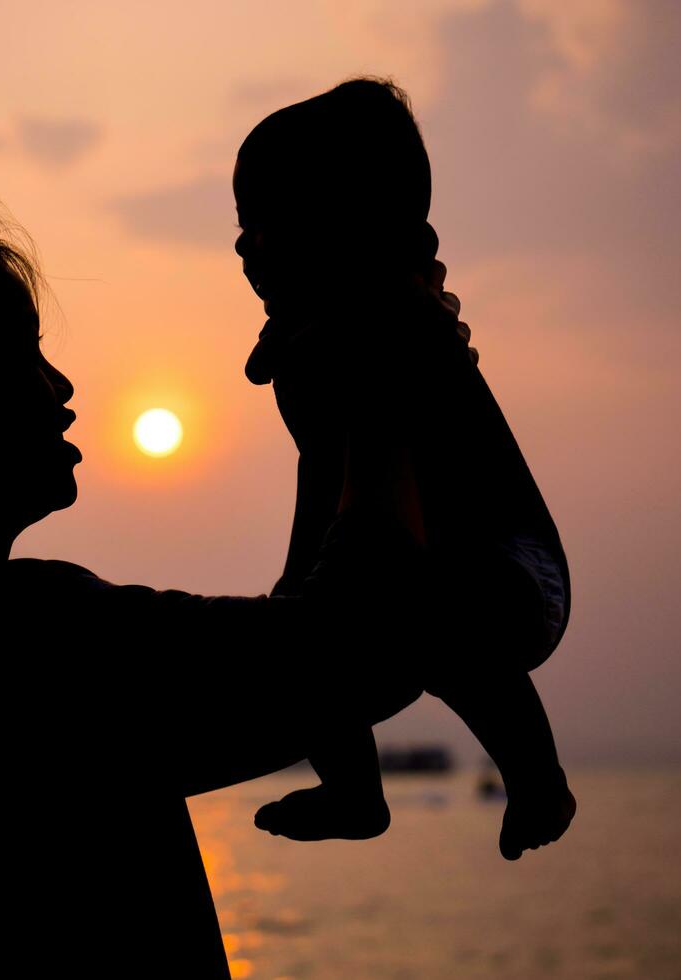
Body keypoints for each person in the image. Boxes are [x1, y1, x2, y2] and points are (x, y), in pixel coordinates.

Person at [0, 212, 497, 977]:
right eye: (25, 355)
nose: (62, 384)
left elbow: (304, 649)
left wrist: (341, 429)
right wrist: (384, 389)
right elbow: (358, 655)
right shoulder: (14, 649)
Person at [233, 77, 577, 859]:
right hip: (397, 556)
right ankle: (354, 789)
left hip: (508, 564)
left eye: (265, 224)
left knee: (436, 618)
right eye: (242, 226)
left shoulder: (399, 321)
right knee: (311, 629)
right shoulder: (309, 347)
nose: (244, 247)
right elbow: (323, 484)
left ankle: (537, 778)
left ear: (344, 229)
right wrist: (301, 586)